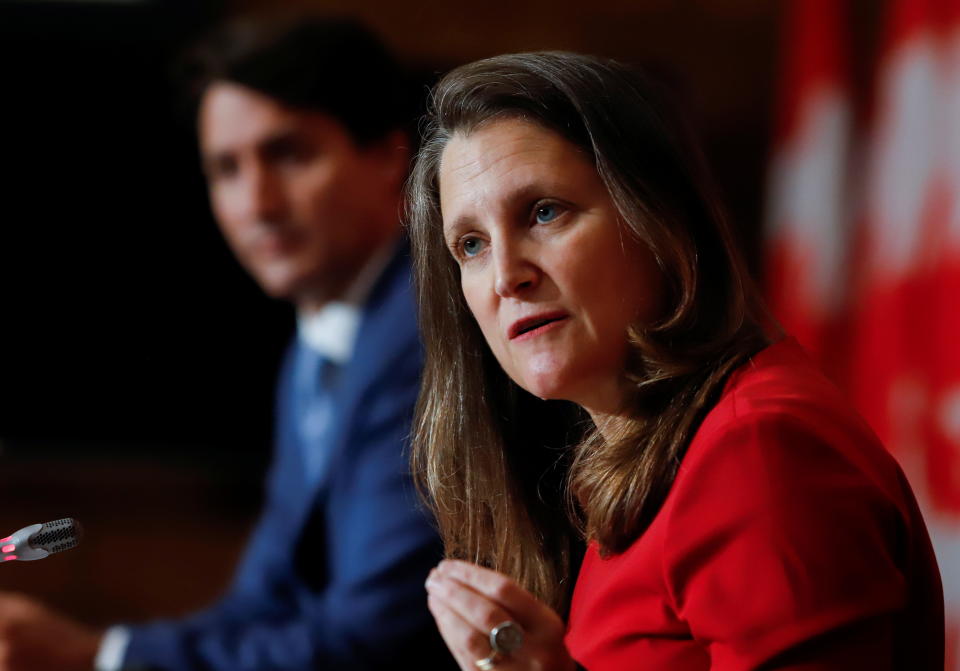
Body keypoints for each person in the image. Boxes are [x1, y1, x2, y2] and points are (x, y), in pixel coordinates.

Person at [407, 52, 945, 670]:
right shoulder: (631, 462)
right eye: (470, 245)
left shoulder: (758, 453)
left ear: (660, 220)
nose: (506, 275)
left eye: (544, 212)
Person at [0, 15, 454, 671]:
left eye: (289, 154)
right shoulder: (321, 341)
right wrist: (106, 654)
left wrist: (93, 655)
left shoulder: (424, 333)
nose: (256, 203)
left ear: (388, 156)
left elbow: (372, 639)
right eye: (226, 169)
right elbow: (263, 601)